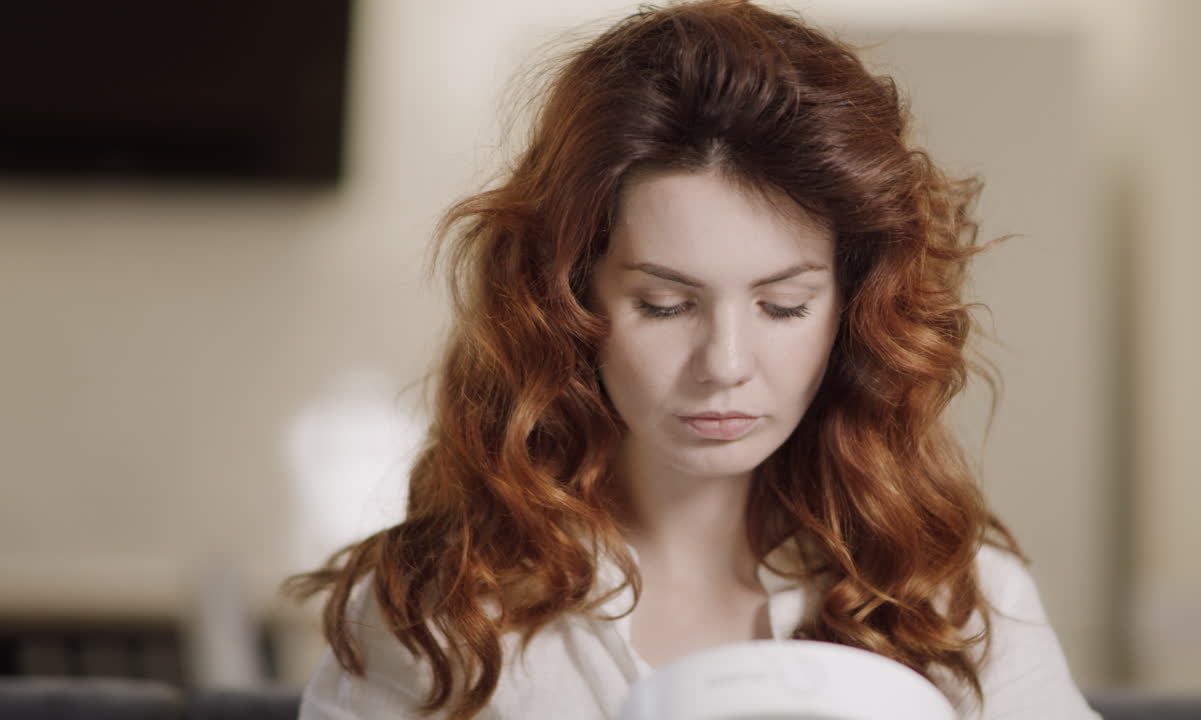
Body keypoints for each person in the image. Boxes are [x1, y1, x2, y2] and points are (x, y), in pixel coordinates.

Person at [288, 1, 1100, 718]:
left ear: (851, 310)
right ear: (570, 301)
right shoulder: (440, 612)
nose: (726, 363)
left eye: (783, 306)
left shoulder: (957, 596)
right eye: (665, 305)